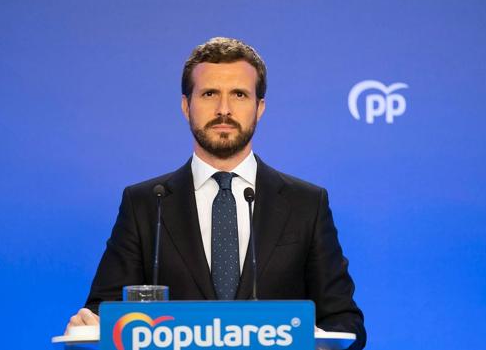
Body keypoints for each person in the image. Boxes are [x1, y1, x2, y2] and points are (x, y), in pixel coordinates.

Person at [65, 37, 366, 349]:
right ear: (186, 105)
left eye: (239, 94)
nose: (224, 110)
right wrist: (89, 326)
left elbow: (344, 321)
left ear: (259, 107)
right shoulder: (145, 204)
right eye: (209, 94)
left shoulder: (306, 204)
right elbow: (105, 313)